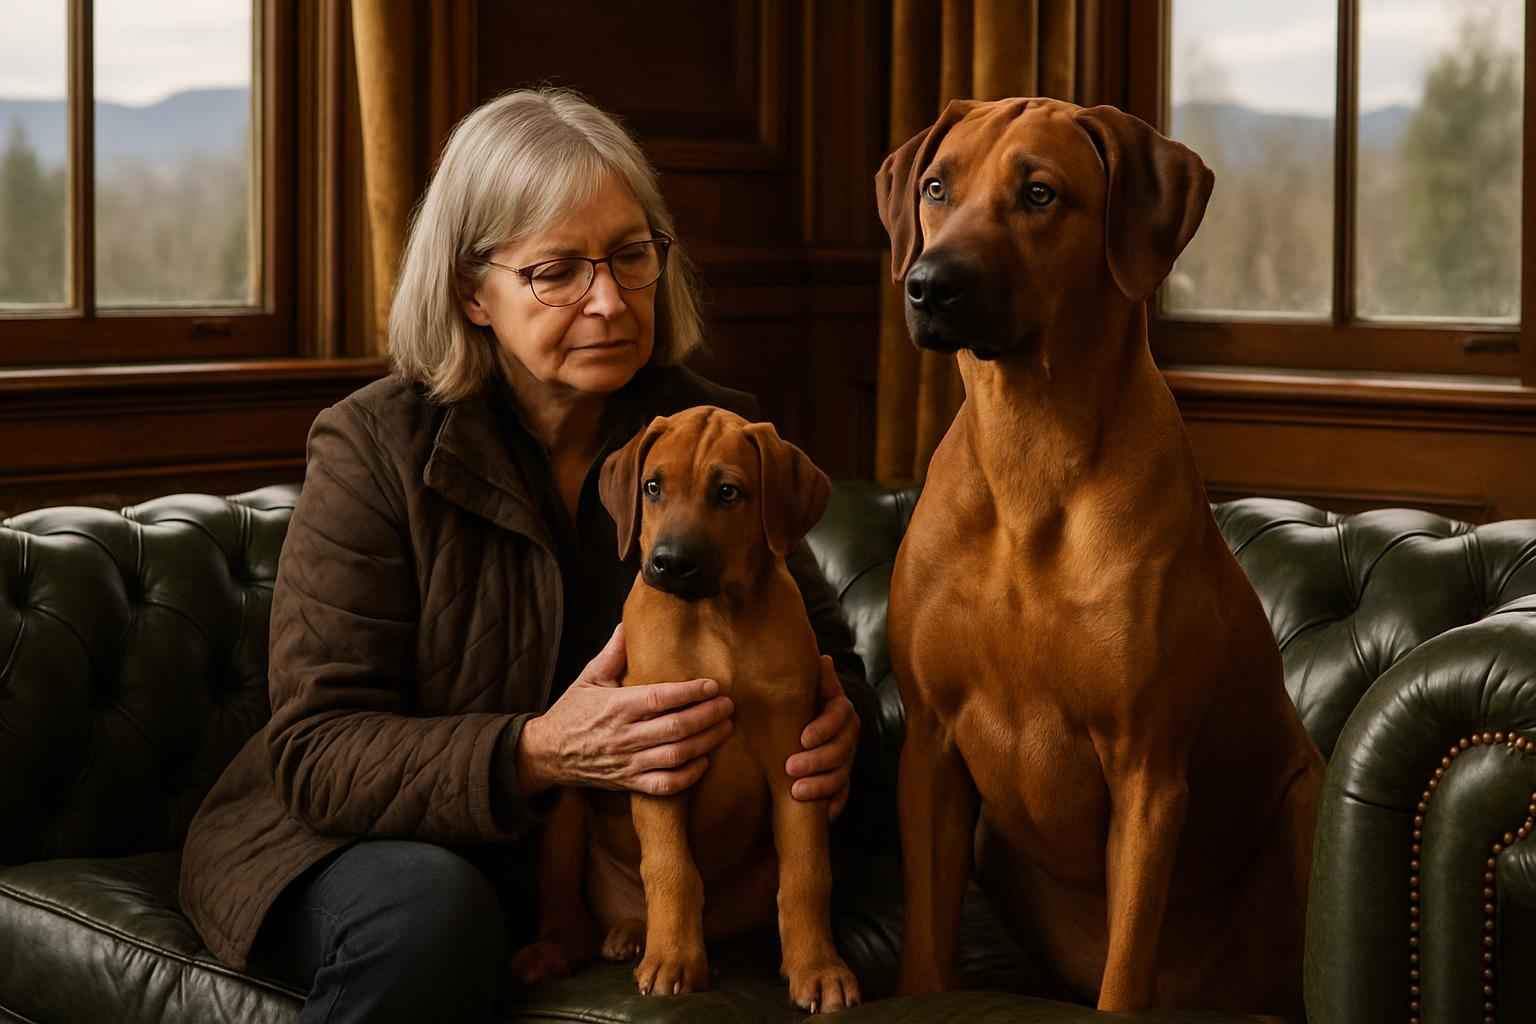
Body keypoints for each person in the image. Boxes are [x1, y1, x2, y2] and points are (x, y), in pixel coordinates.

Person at [178, 87, 873, 1023]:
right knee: (432, 917)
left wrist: (843, 734)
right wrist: (540, 750)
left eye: (632, 256)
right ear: (474, 291)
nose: (610, 300)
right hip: (341, 842)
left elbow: (827, 661)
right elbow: (315, 753)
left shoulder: (708, 439)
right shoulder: (372, 447)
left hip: (595, 867)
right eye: (556, 271)